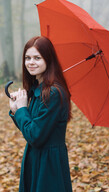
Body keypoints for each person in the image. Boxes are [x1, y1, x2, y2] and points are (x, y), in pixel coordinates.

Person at [8, 36, 73, 192]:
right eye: (27, 58)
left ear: (48, 60)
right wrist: (16, 110)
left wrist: (23, 110)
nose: (31, 62)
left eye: (37, 58)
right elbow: (30, 128)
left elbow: (35, 136)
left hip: (49, 164)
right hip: (35, 157)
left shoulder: (53, 93)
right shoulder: (39, 89)